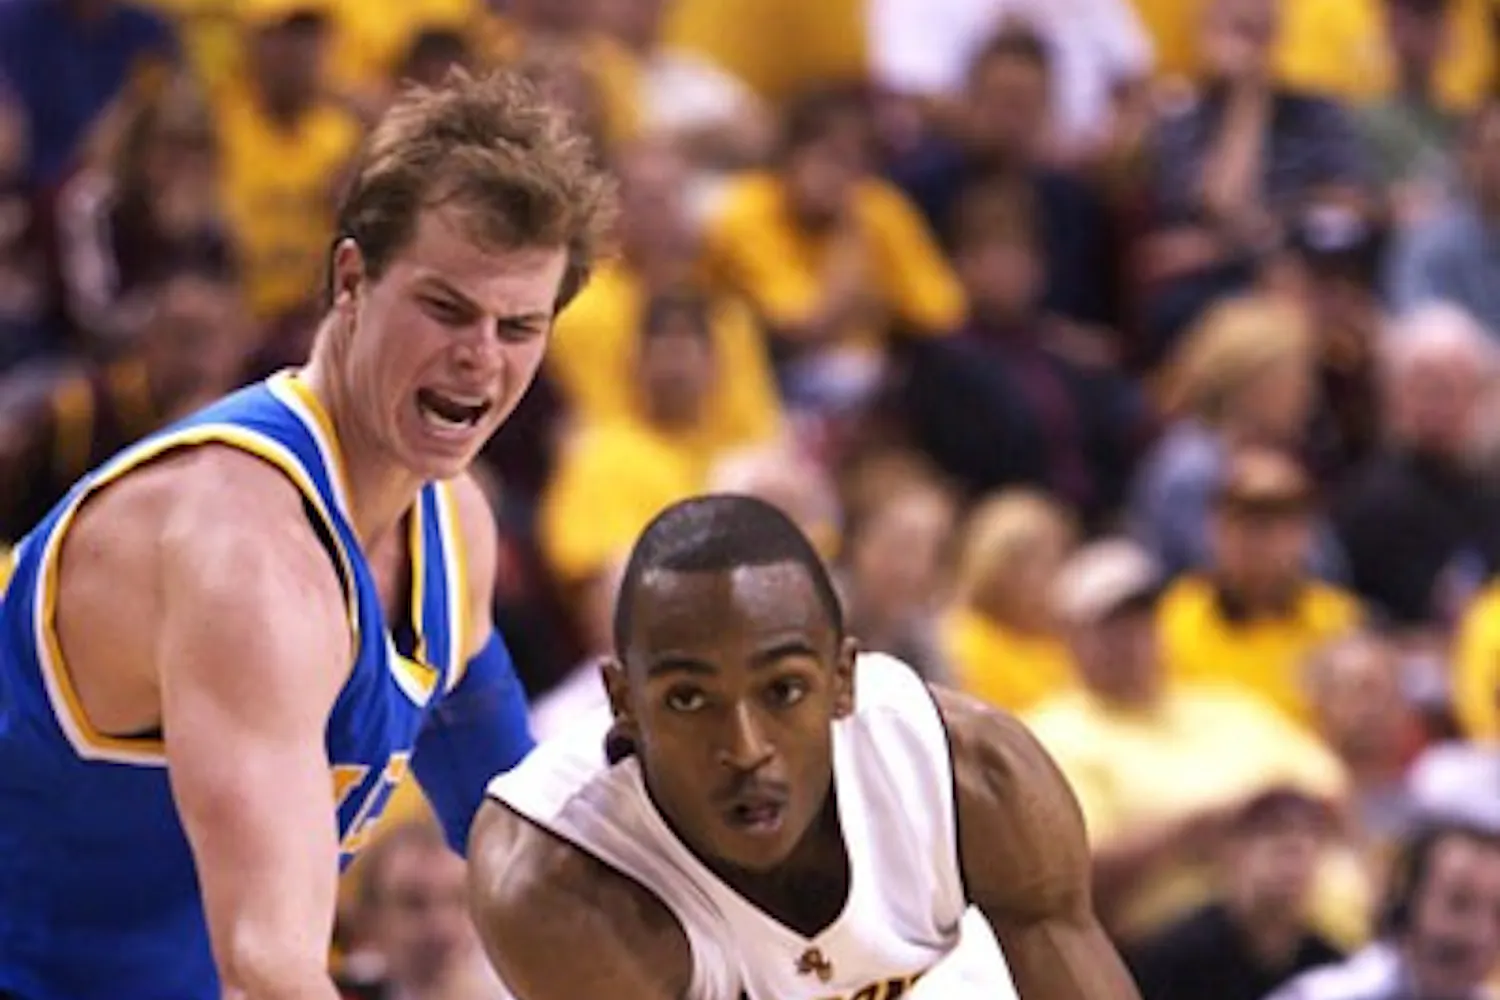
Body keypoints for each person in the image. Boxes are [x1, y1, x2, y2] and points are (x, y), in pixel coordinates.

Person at [0, 69, 616, 1000]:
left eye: (519, 326)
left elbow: (512, 836)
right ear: (351, 279)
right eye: (446, 308)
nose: (480, 357)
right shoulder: (245, 554)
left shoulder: (456, 524)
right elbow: (270, 967)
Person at [471, 494, 1141, 1000]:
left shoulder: (973, 773)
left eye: (784, 689)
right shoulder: (560, 877)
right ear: (623, 704)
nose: (745, 746)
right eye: (687, 698)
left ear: (843, 681)